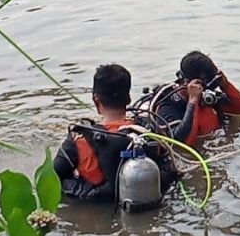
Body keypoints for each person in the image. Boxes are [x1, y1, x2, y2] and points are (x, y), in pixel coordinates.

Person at [54, 64, 177, 201]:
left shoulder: (79, 138)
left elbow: (53, 179)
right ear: (128, 98)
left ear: (96, 100)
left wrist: (89, 192)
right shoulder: (149, 131)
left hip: (100, 207)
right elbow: (170, 170)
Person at [154, 51, 240, 147]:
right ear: (188, 83)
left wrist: (226, 85)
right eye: (203, 85)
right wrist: (193, 101)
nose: (207, 89)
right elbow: (181, 143)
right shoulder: (168, 105)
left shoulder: (209, 97)